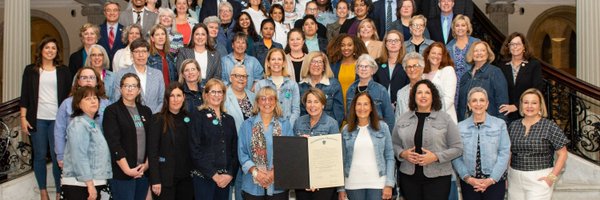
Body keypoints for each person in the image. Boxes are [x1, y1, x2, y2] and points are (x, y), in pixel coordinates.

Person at [392, 79, 463, 200]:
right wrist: (403, 154)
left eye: (427, 92)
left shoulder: (445, 118)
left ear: (433, 96)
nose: (423, 96)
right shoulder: (403, 119)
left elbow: (458, 148)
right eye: (419, 92)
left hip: (438, 178)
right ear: (414, 96)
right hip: (409, 178)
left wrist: (436, 157)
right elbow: (394, 144)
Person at [20, 37, 72, 200]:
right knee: (40, 155)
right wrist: (23, 117)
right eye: (47, 47)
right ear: (41, 50)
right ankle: (43, 191)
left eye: (54, 48)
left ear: (57, 52)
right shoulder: (31, 70)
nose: (50, 50)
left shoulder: (64, 70)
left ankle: (58, 191)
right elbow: (25, 96)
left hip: (58, 120)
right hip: (38, 119)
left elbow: (69, 96)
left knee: (59, 156)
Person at [507, 88, 569, 200]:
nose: (529, 106)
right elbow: (509, 153)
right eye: (526, 102)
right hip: (515, 177)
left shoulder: (549, 126)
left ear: (540, 106)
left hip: (539, 178)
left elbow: (563, 154)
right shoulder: (513, 125)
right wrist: (507, 175)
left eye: (534, 103)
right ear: (521, 105)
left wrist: (551, 178)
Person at [451, 87, 510, 200]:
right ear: (469, 104)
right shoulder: (460, 127)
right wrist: (468, 178)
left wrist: (492, 179)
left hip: (494, 182)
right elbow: (456, 155)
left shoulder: (499, 124)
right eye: (474, 100)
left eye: (482, 100)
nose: (478, 104)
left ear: (487, 104)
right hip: (469, 183)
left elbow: (504, 152)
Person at [103, 73, 153, 200]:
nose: (130, 89)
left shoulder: (146, 111)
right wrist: (127, 170)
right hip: (122, 174)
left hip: (143, 172)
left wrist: (147, 164)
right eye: (126, 86)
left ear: (139, 90)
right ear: (120, 89)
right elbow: (114, 143)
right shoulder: (112, 111)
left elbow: (152, 141)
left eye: (133, 86)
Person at [238, 87, 294, 199]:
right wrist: (256, 173)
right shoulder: (247, 125)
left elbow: (289, 153)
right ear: (257, 102)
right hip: (252, 185)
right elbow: (242, 154)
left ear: (275, 102)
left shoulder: (285, 125)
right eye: (263, 99)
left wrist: (273, 174)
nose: (267, 102)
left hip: (278, 185)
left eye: (271, 99)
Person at [339, 92, 395, 200]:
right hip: (353, 183)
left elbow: (389, 156)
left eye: (366, 104)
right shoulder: (346, 130)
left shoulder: (382, 127)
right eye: (358, 104)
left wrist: (389, 184)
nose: (362, 108)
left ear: (371, 108)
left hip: (378, 183)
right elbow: (342, 159)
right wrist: (341, 188)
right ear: (354, 107)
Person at [189, 79, 239, 200]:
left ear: (223, 95)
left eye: (220, 92)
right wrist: (214, 175)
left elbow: (234, 150)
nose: (217, 95)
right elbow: (194, 150)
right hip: (204, 177)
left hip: (225, 179)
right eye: (213, 92)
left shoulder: (229, 119)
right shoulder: (197, 115)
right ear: (206, 94)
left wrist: (230, 174)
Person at [54, 67, 110, 171]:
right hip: (73, 154)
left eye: (92, 77)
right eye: (84, 77)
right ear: (78, 81)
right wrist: (60, 155)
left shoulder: (106, 103)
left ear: (97, 81)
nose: (88, 80)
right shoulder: (67, 103)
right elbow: (59, 131)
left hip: (99, 156)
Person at [61, 86, 112, 200]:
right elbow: (79, 156)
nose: (93, 101)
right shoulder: (78, 124)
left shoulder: (92, 123)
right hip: (79, 184)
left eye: (95, 98)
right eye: (88, 99)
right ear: (78, 104)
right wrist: (89, 184)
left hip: (91, 182)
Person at [147, 82, 194, 200]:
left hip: (186, 179)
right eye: (172, 96)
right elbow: (152, 152)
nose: (175, 99)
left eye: (178, 95)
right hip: (164, 180)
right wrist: (155, 180)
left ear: (184, 97)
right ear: (167, 98)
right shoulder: (157, 119)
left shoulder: (189, 118)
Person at [293, 88, 340, 200]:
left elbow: (336, 156)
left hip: (324, 181)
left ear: (323, 104)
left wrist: (318, 180)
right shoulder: (299, 122)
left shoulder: (331, 124)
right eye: (309, 102)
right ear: (305, 105)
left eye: (316, 101)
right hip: (302, 181)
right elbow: (293, 154)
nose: (312, 105)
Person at [224, 66, 256, 200]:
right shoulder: (224, 96)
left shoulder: (253, 96)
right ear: (231, 77)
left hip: (250, 148)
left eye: (244, 76)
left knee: (245, 185)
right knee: (231, 183)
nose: (241, 79)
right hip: (230, 147)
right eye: (238, 76)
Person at [498, 32, 544, 123]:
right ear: (508, 47)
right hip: (507, 115)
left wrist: (516, 106)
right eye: (512, 44)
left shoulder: (533, 65)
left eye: (518, 44)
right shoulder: (501, 66)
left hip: (527, 112)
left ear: (524, 47)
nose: (515, 47)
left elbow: (537, 89)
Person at [457, 41, 508, 121]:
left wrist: (501, 124)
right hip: (466, 123)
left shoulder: (495, 72)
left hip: (489, 124)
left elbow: (502, 103)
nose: (479, 53)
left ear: (488, 54)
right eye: (476, 51)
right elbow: (461, 104)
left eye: (482, 50)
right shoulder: (465, 76)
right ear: (471, 54)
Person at [112, 38, 165, 114]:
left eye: (144, 51)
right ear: (131, 54)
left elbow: (162, 100)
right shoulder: (121, 74)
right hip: (131, 120)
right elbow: (117, 98)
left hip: (154, 119)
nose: (141, 55)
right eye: (137, 51)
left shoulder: (158, 74)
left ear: (148, 54)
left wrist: (153, 117)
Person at [346, 54, 395, 132]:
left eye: (366, 66)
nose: (363, 69)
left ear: (372, 70)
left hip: (376, 132)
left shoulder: (381, 90)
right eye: (360, 66)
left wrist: (386, 136)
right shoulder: (351, 89)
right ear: (357, 70)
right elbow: (349, 115)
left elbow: (389, 117)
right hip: (355, 132)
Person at [254, 48, 301, 126]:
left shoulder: (293, 85)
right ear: (268, 63)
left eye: (279, 59)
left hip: (288, 129)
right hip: (266, 128)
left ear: (284, 63)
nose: (276, 62)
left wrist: (288, 127)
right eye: (273, 59)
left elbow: (296, 110)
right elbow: (258, 109)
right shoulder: (260, 85)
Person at [298, 52, 344, 127]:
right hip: (306, 129)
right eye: (313, 62)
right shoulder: (301, 86)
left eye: (320, 62)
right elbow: (300, 113)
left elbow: (339, 113)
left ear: (324, 67)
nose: (316, 65)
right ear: (307, 65)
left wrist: (330, 129)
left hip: (328, 130)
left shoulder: (334, 85)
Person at [446, 14, 479, 108]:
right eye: (457, 25)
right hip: (454, 85)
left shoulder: (476, 42)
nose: (460, 28)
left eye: (463, 25)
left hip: (472, 82)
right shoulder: (448, 46)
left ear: (468, 27)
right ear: (453, 28)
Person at [327, 34, 369, 107]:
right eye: (342, 45)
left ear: (355, 47)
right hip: (337, 106)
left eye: (350, 45)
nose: (346, 48)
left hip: (357, 106)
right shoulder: (333, 66)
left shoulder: (362, 65)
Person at [373, 30, 409, 109]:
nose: (393, 43)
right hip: (380, 106)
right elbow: (374, 85)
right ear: (385, 44)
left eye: (396, 40)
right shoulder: (377, 63)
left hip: (402, 105)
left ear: (401, 44)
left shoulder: (407, 62)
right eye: (390, 41)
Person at [423, 42, 457, 123]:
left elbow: (449, 99)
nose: (436, 56)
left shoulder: (448, 70)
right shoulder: (422, 75)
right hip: (425, 120)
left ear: (443, 57)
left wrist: (430, 111)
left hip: (444, 119)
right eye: (433, 53)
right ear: (428, 55)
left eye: (439, 54)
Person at [394, 52, 424, 120]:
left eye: (415, 66)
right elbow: (398, 120)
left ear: (422, 68)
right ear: (405, 70)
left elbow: (440, 118)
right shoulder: (401, 93)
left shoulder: (434, 89)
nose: (412, 69)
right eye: (409, 67)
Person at [98, 1, 125, 69]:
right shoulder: (97, 30)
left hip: (120, 69)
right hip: (102, 69)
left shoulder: (126, 30)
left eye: (115, 10)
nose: (112, 13)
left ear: (119, 12)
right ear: (104, 13)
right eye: (108, 10)